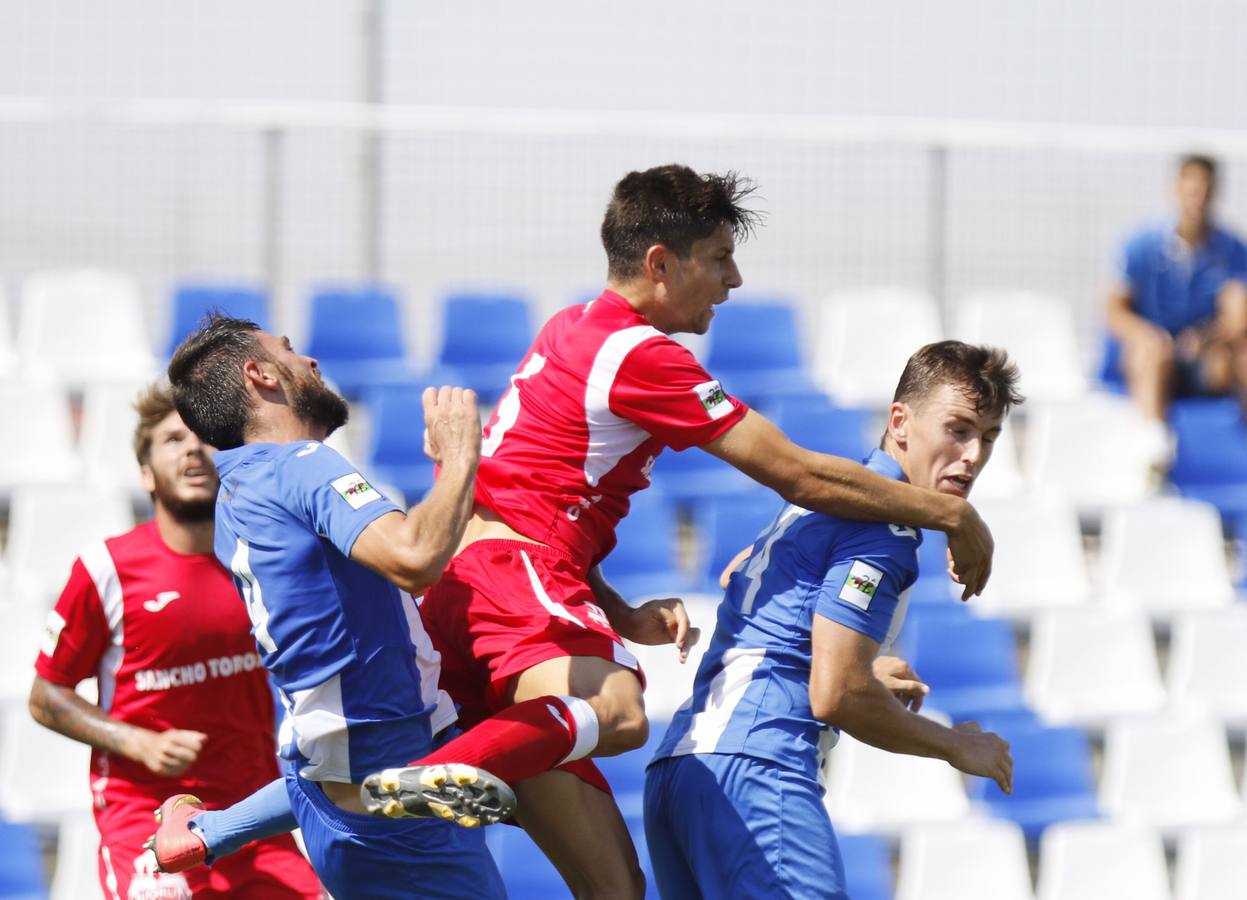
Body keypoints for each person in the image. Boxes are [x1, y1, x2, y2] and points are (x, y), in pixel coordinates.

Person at [153, 164, 996, 900]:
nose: (733, 281)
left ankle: (217, 830)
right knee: (619, 708)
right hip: (508, 575)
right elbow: (796, 473)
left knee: (612, 883)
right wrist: (952, 515)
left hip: (490, 580)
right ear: (660, 263)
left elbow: (541, 491)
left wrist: (617, 611)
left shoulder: (572, 330)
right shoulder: (638, 355)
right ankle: (440, 776)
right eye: (719, 258)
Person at [159, 320, 543, 900]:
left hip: (335, 781)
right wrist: (462, 455)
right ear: (258, 374)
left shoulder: (236, 496)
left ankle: (204, 832)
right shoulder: (303, 463)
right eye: (287, 350)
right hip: (390, 801)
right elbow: (414, 558)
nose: (310, 359)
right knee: (607, 714)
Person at [642, 341, 1020, 900]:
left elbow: (743, 581)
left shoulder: (822, 498)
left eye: (987, 437)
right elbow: (836, 693)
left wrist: (862, 662)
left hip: (682, 770)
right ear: (901, 421)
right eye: (959, 428)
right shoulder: (882, 533)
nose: (972, 455)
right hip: (758, 769)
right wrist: (954, 746)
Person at [28, 385, 322, 900]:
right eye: (171, 439)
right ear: (146, 473)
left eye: (203, 438)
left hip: (254, 818)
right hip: (148, 820)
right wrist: (137, 741)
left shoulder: (262, 562)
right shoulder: (107, 570)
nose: (191, 449)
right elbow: (46, 697)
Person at [1105, 154, 1247, 463]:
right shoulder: (1141, 245)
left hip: (1206, 357)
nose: (1198, 199)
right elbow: (1115, 309)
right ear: (1176, 189)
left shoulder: (1233, 250)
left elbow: (1236, 316)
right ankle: (1153, 450)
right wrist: (1146, 334)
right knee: (1149, 351)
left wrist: (1205, 337)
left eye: (1205, 190)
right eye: (1191, 189)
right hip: (1155, 356)